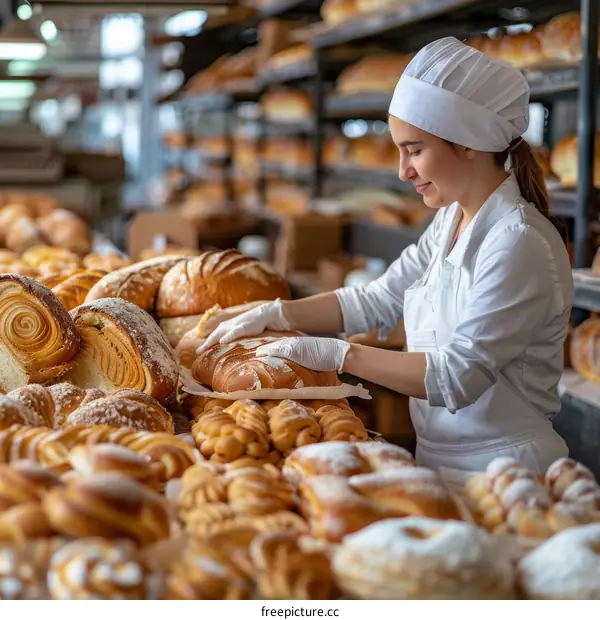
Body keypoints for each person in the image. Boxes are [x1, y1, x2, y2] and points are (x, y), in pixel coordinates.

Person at [198, 37, 573, 473]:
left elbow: (457, 378)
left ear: (469, 143)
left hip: (506, 468)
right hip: (438, 459)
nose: (402, 171)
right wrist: (276, 313)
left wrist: (341, 356)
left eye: (415, 150)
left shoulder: (517, 242)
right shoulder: (451, 220)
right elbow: (374, 300)